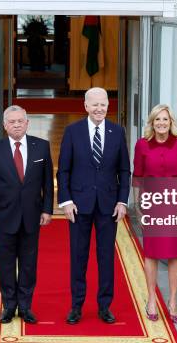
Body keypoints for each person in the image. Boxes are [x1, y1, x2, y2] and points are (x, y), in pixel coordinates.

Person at [57, 87, 131, 325]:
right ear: (86, 106)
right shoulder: (72, 132)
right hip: (79, 206)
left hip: (109, 206)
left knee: (106, 257)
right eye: (95, 105)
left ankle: (104, 306)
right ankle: (76, 306)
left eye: (103, 104)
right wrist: (66, 200)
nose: (99, 109)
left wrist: (122, 201)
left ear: (108, 106)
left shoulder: (118, 132)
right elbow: (64, 169)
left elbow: (123, 171)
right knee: (78, 257)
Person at [0, 105, 54, 324]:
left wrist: (47, 209)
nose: (16, 125)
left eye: (20, 121)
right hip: (4, 216)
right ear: (5, 126)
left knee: (29, 264)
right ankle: (9, 305)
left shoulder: (41, 147)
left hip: (32, 215)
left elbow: (47, 183)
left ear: (27, 123)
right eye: (11, 122)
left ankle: (25, 306)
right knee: (6, 263)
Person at [132, 104, 177, 324]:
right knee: (152, 253)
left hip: (176, 204)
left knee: (174, 253)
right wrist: (138, 207)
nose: (161, 123)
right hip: (152, 204)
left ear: (171, 122)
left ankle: (173, 301)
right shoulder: (142, 145)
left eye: (165, 119)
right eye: (157, 119)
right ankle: (151, 299)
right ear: (152, 122)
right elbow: (137, 177)